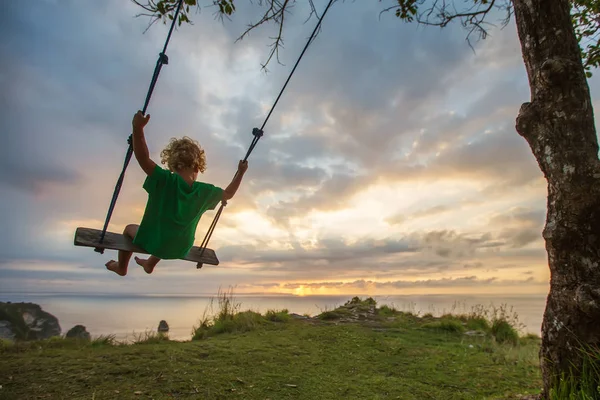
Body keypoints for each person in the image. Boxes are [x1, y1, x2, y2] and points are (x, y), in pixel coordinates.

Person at [105, 111, 248, 276]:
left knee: (129, 229)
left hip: (154, 243)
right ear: (197, 166)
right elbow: (228, 194)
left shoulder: (165, 179)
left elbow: (143, 159)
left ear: (172, 164)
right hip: (181, 249)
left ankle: (121, 267)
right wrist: (241, 172)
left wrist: (138, 128)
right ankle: (150, 264)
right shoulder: (206, 191)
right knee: (170, 233)